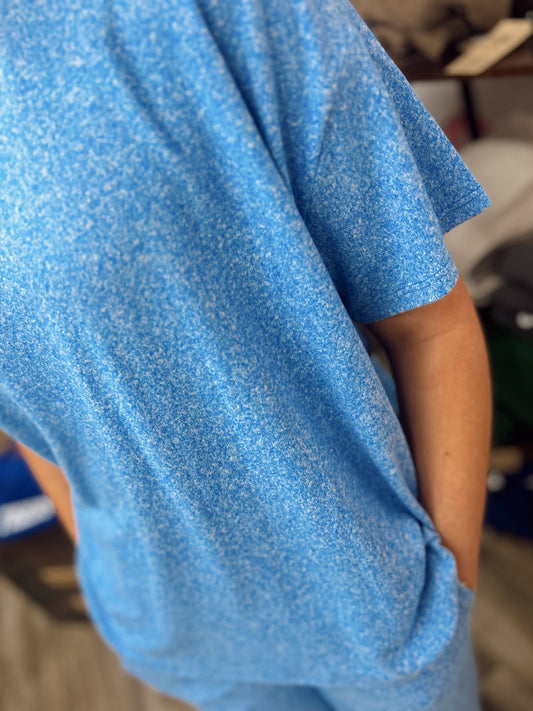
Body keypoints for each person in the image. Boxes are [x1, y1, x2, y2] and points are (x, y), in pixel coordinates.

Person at [0, 0, 492, 709]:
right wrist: (104, 560)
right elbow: (38, 402)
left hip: (377, 608)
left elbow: (428, 326)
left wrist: (449, 588)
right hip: (175, 630)